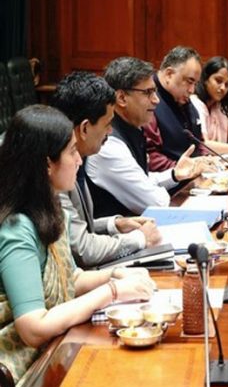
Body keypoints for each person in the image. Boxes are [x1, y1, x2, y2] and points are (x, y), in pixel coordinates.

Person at [0, 105, 155, 382]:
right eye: (72, 151)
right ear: (47, 164)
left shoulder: (50, 208)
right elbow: (33, 328)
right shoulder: (17, 229)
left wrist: (116, 274)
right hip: (23, 374)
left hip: (54, 352)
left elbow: (70, 277)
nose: (79, 160)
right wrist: (112, 291)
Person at [51, 72, 162, 268]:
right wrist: (139, 238)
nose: (110, 131)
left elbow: (72, 227)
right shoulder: (54, 167)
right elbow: (81, 249)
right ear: (85, 128)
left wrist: (114, 225)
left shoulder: (77, 155)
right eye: (108, 124)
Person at [86, 57, 209, 217]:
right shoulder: (109, 145)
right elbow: (155, 203)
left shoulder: (132, 128)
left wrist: (175, 174)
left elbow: (141, 180)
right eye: (148, 93)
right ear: (122, 98)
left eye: (155, 92)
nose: (156, 100)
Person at [144, 45, 208, 171]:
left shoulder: (181, 97)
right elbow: (149, 156)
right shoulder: (147, 99)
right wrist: (185, 169)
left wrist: (206, 159)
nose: (192, 90)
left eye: (195, 84)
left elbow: (198, 141)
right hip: (169, 178)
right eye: (189, 81)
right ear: (169, 74)